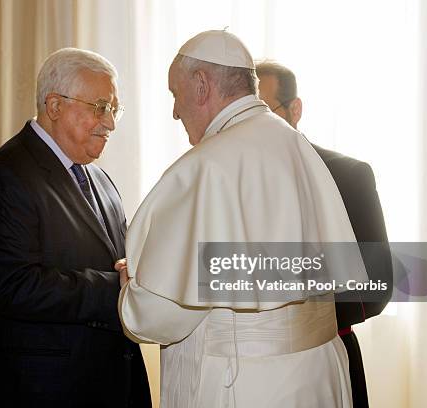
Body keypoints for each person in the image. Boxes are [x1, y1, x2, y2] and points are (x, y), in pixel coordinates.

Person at [118, 30, 369, 408]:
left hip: (247, 385)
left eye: (175, 94)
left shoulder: (206, 167)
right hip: (319, 374)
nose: (175, 111)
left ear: (201, 85)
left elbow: (158, 315)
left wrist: (130, 290)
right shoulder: (297, 146)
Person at [0, 47, 151, 407]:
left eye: (114, 110)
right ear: (54, 106)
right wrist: (118, 287)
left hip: (109, 383)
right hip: (38, 391)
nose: (110, 122)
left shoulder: (100, 178)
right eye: (101, 107)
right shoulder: (3, 174)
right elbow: (15, 286)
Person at [256, 60, 393, 408]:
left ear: (294, 109)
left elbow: (376, 286)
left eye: (263, 110)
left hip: (328, 355)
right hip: (251, 369)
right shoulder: (221, 178)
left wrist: (295, 318)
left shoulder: (349, 175)